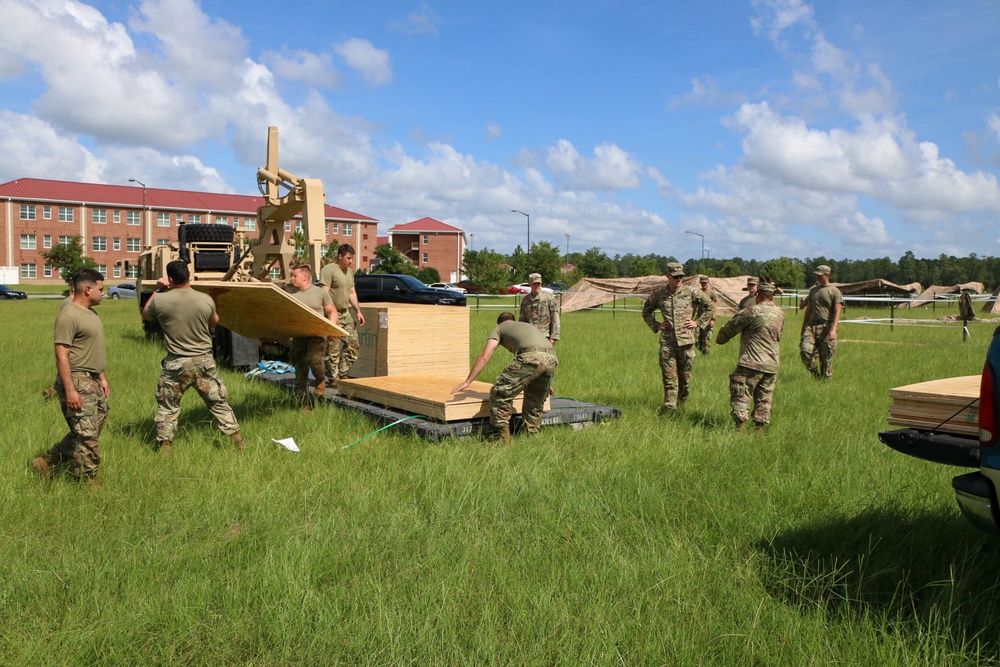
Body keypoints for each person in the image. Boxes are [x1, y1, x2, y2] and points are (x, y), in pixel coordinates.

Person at [142, 260, 243, 453]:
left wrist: (158, 288)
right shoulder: (204, 299)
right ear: (188, 276)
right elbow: (214, 323)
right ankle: (238, 442)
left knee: (168, 408)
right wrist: (214, 297)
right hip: (203, 363)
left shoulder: (161, 300)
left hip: (176, 365)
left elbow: (146, 314)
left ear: (170, 279)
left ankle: (165, 450)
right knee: (218, 404)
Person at [33, 268, 109, 483]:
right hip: (78, 381)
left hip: (93, 380)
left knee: (90, 429)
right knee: (88, 437)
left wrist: (102, 377)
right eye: (100, 289)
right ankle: (89, 482)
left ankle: (49, 461)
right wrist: (70, 389)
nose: (103, 293)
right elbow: (61, 356)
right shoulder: (69, 316)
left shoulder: (91, 313)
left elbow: (91, 349)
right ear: (87, 289)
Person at [451, 312, 558, 443]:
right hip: (552, 359)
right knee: (535, 400)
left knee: (499, 392)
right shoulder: (526, 326)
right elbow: (540, 355)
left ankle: (503, 439)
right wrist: (546, 383)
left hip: (531, 358)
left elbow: (484, 356)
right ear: (513, 321)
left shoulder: (500, 328)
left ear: (498, 323)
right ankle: (532, 438)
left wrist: (467, 382)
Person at [641, 262, 714, 411]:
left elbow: (710, 306)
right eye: (675, 276)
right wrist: (656, 325)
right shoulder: (659, 295)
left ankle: (682, 405)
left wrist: (698, 322)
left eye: (681, 276)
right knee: (669, 379)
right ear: (667, 276)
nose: (678, 279)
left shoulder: (691, 292)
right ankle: (669, 409)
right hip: (667, 343)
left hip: (686, 342)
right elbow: (646, 312)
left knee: (684, 380)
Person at [716, 282, 784, 429]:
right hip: (771, 365)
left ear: (757, 294)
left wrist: (720, 339)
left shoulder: (752, 311)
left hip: (751, 362)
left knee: (741, 394)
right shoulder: (780, 313)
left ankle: (740, 428)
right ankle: (759, 430)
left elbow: (730, 328)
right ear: (772, 296)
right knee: (764, 399)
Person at [286, 264, 336, 412]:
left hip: (317, 334)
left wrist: (330, 328)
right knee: (300, 368)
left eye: (295, 276)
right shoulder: (291, 296)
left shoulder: (320, 293)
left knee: (314, 359)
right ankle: (303, 405)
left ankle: (320, 378)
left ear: (305, 277)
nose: (292, 278)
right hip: (299, 336)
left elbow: (332, 311)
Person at [319, 244, 365, 384]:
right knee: (333, 348)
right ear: (340, 256)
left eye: (352, 258)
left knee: (353, 345)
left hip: (346, 314)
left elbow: (352, 293)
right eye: (348, 258)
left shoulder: (349, 272)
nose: (351, 261)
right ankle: (334, 378)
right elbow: (323, 293)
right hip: (333, 314)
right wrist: (331, 314)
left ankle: (343, 372)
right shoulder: (329, 270)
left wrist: (358, 311)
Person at [799, 264, 843, 379]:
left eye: (820, 275)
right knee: (805, 351)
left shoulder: (835, 291)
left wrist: (833, 329)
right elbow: (808, 309)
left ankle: (825, 381)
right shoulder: (813, 290)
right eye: (816, 275)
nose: (817, 277)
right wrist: (804, 327)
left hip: (826, 327)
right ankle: (815, 375)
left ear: (827, 275)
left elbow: (838, 311)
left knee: (826, 358)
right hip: (811, 326)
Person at [519, 272, 560, 344]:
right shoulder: (525, 300)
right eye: (534, 284)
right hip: (529, 336)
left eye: (538, 284)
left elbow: (555, 317)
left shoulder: (548, 298)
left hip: (545, 336)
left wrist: (554, 337)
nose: (537, 286)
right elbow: (522, 320)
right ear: (530, 284)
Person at [694, 275, 717, 355]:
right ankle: (700, 351)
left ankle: (706, 354)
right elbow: (695, 306)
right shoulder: (698, 293)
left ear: (708, 282)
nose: (703, 284)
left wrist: (713, 319)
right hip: (699, 318)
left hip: (708, 318)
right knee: (696, 338)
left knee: (706, 338)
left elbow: (714, 307)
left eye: (705, 283)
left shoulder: (712, 293)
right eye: (702, 283)